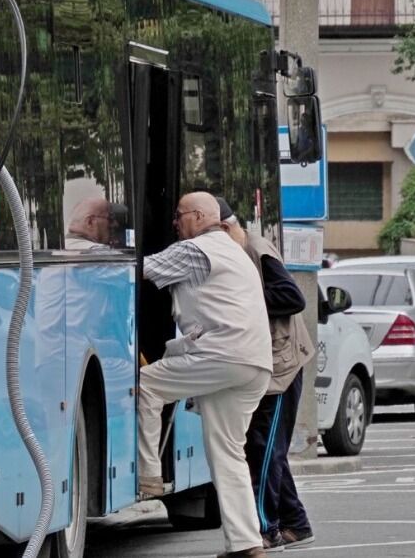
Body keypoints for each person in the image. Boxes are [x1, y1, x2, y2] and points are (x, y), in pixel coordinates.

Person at [138, 191, 273, 558]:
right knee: (229, 454)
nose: (175, 223)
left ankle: (148, 474)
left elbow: (139, 269)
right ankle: (246, 543)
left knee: (146, 386)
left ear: (198, 216)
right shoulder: (234, 250)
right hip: (255, 364)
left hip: (224, 356)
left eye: (179, 215)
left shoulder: (196, 249)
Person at [216, 196, 316, 551]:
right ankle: (296, 523)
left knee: (264, 449)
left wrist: (244, 296)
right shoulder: (239, 251)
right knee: (266, 447)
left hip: (280, 368)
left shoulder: (256, 250)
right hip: (266, 362)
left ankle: (264, 527)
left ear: (226, 228)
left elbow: (292, 297)